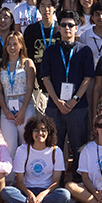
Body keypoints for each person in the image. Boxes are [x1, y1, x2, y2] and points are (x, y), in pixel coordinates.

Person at [39, 10, 96, 169]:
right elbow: (46, 78)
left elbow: (87, 78)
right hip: (54, 106)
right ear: (58, 28)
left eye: (71, 25)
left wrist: (74, 100)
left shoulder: (84, 51)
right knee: (53, 146)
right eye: (63, 25)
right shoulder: (50, 51)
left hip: (78, 106)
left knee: (79, 146)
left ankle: (78, 181)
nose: (67, 28)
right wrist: (57, 101)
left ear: (77, 28)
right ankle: (56, 182)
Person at [1, 114, 72, 203]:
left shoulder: (56, 151)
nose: (40, 133)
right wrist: (30, 194)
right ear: (31, 132)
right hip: (27, 190)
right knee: (6, 191)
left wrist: (42, 196)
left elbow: (56, 183)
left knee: (65, 195)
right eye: (36, 130)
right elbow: (19, 182)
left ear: (49, 132)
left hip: (47, 192)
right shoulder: (22, 150)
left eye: (43, 130)